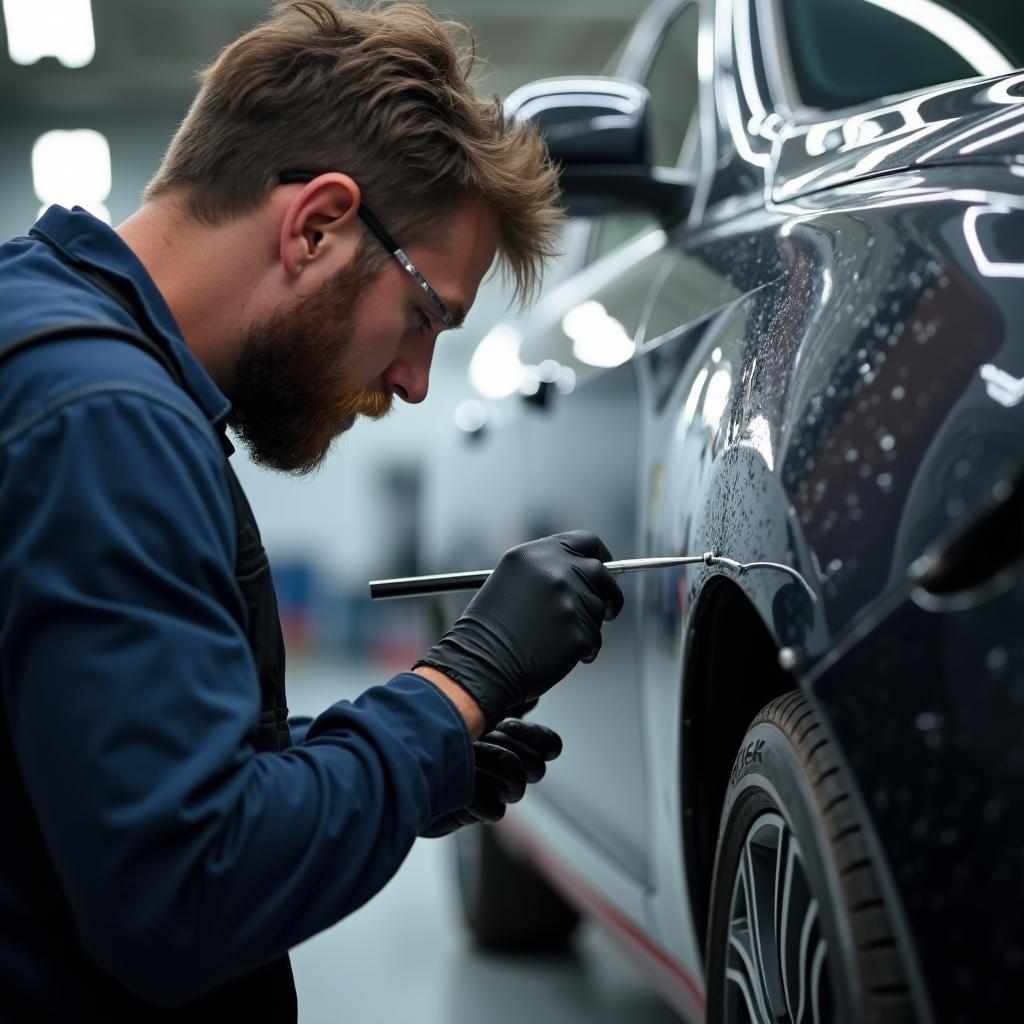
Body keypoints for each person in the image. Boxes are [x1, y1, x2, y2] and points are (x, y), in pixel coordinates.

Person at [0, 0, 625, 1019]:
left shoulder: (47, 342)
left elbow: (73, 771)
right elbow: (182, 894)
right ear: (318, 224)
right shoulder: (106, 423)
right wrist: (452, 691)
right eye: (424, 312)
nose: (418, 381)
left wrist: (367, 766)